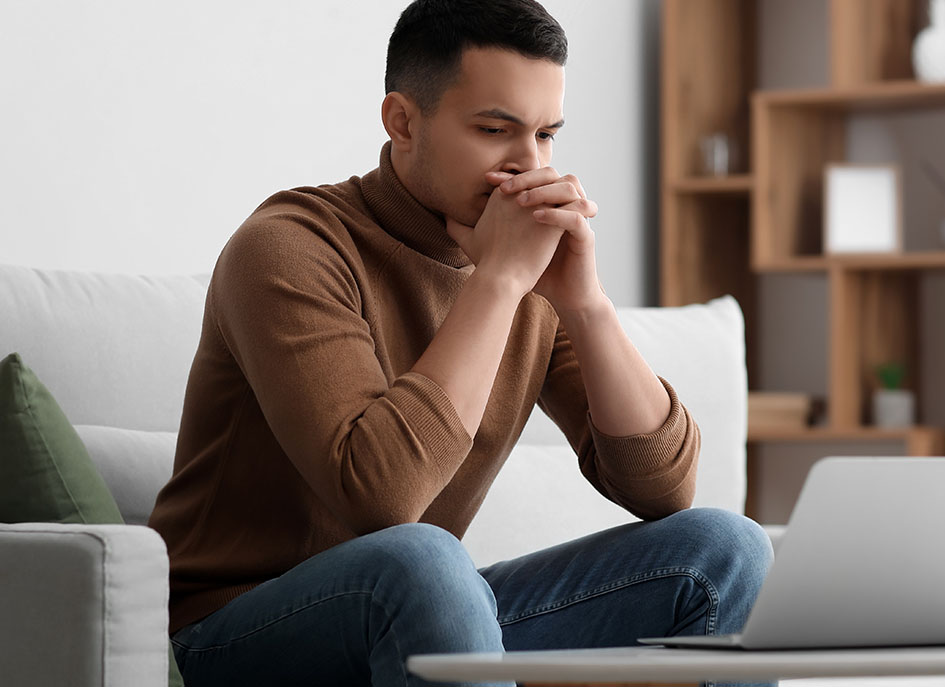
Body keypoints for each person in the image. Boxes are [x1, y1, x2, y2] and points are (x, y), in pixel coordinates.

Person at [149, 1, 774, 685]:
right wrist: (500, 281)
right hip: (225, 635)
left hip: (416, 607)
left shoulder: (525, 266)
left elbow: (664, 488)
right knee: (424, 559)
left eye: (546, 135)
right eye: (495, 129)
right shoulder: (291, 248)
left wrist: (585, 303)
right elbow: (381, 497)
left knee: (725, 550)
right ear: (402, 122)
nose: (528, 165)